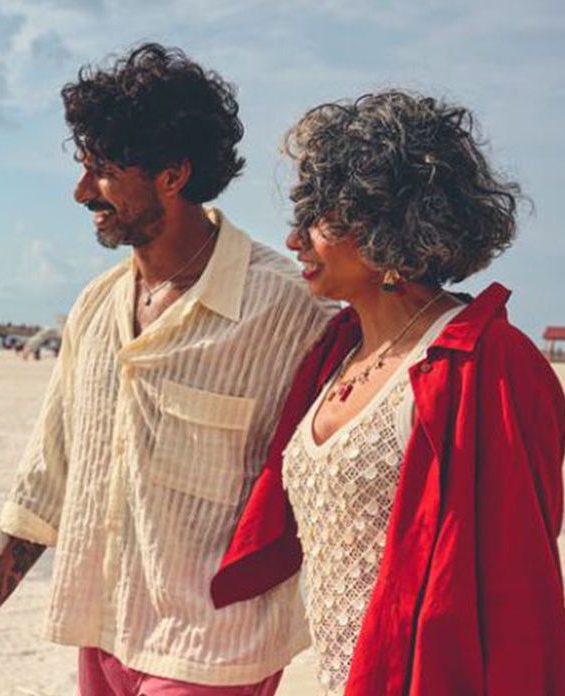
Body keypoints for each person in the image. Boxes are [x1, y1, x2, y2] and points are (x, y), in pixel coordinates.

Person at [0, 44, 333, 696]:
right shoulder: (95, 309)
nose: (81, 192)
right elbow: (49, 475)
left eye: (103, 172)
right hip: (104, 632)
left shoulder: (287, 308)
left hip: (216, 648)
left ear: (172, 176)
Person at [212, 91, 565, 694]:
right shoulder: (335, 350)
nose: (294, 240)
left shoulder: (489, 363)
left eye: (319, 218)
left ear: (386, 226)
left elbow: (518, 588)